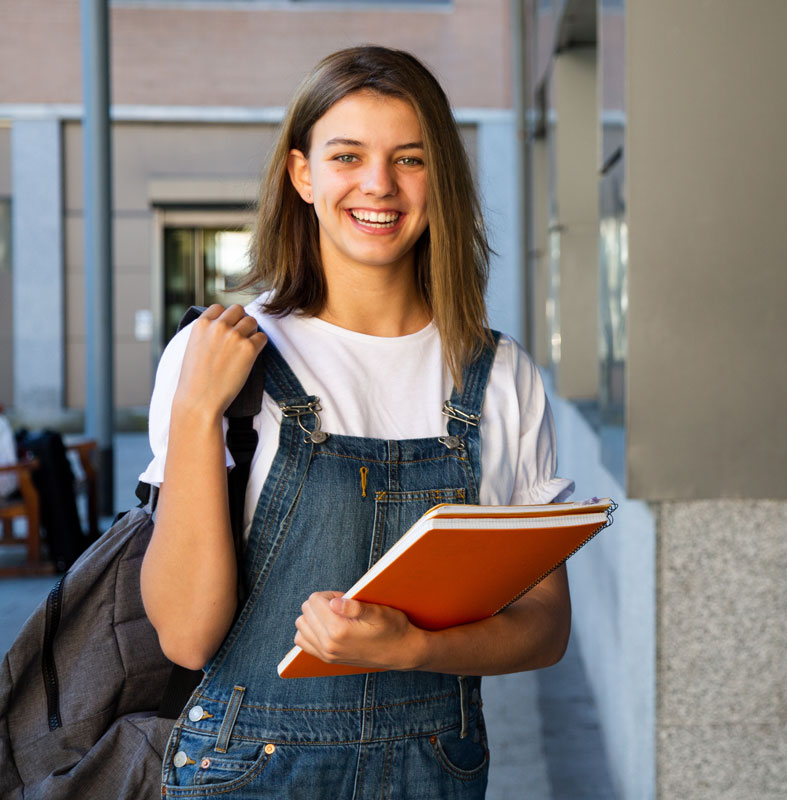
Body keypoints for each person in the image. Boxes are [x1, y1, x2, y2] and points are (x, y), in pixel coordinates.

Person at [139, 46, 574, 798]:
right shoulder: (220, 358)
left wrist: (411, 648)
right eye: (348, 156)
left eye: (410, 158)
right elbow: (185, 635)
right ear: (303, 175)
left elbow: (545, 627)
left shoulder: (500, 377)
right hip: (243, 772)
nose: (379, 184)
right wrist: (196, 409)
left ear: (441, 181)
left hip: (434, 773)